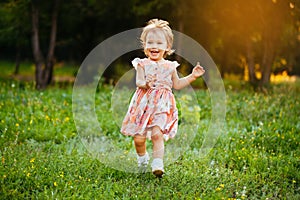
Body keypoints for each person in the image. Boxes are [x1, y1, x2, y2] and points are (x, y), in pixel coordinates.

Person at [120, 18, 205, 178]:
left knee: (157, 134)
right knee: (139, 139)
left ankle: (158, 163)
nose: (154, 46)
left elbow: (177, 84)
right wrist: (146, 84)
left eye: (159, 43)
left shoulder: (170, 66)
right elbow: (138, 82)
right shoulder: (141, 64)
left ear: (167, 47)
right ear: (144, 45)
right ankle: (142, 158)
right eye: (150, 42)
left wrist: (193, 76)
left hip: (161, 106)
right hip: (143, 105)